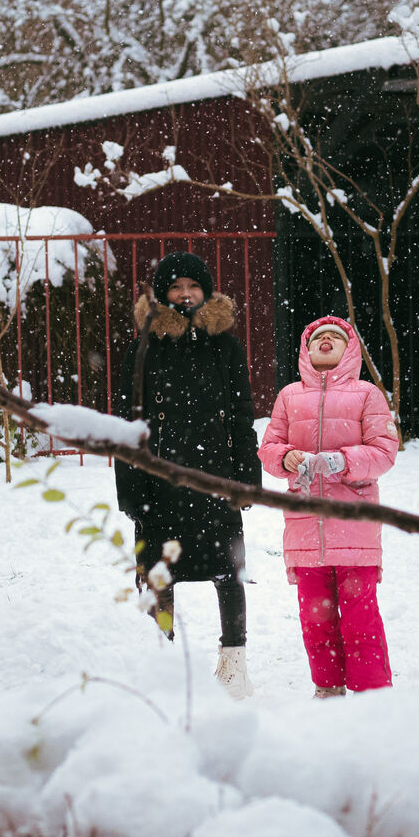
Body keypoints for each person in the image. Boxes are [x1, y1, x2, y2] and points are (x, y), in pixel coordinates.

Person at [115, 251, 261, 699]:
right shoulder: (143, 346)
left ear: (206, 292)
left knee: (227, 571)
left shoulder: (226, 345)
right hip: (160, 478)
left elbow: (240, 414)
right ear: (162, 294)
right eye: (175, 287)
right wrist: (130, 486)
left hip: (214, 476)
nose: (184, 295)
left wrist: (246, 476)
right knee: (159, 573)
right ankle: (163, 660)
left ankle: (234, 664)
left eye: (192, 287)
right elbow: (127, 421)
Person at [258, 316, 399, 698]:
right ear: (306, 349)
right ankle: (328, 686)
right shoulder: (289, 396)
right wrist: (286, 458)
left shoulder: (367, 394)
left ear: (349, 349)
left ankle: (373, 693)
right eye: (319, 336)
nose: (326, 340)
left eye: (336, 336)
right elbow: (269, 448)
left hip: (354, 523)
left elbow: (385, 452)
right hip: (305, 527)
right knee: (315, 618)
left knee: (360, 616)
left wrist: (341, 461)